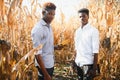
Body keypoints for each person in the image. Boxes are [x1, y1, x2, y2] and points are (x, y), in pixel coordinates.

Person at [31, 2, 63, 80]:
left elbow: (45, 45)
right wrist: (45, 74)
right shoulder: (38, 29)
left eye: (53, 14)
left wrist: (55, 47)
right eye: (50, 14)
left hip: (50, 63)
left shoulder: (49, 26)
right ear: (43, 13)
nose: (52, 17)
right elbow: (37, 54)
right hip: (44, 67)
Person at [74, 8, 100, 80]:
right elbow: (76, 48)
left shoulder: (93, 31)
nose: (82, 18)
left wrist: (94, 69)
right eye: (80, 17)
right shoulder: (77, 31)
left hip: (88, 64)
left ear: (88, 17)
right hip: (78, 63)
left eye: (84, 16)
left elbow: (96, 51)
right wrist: (74, 62)